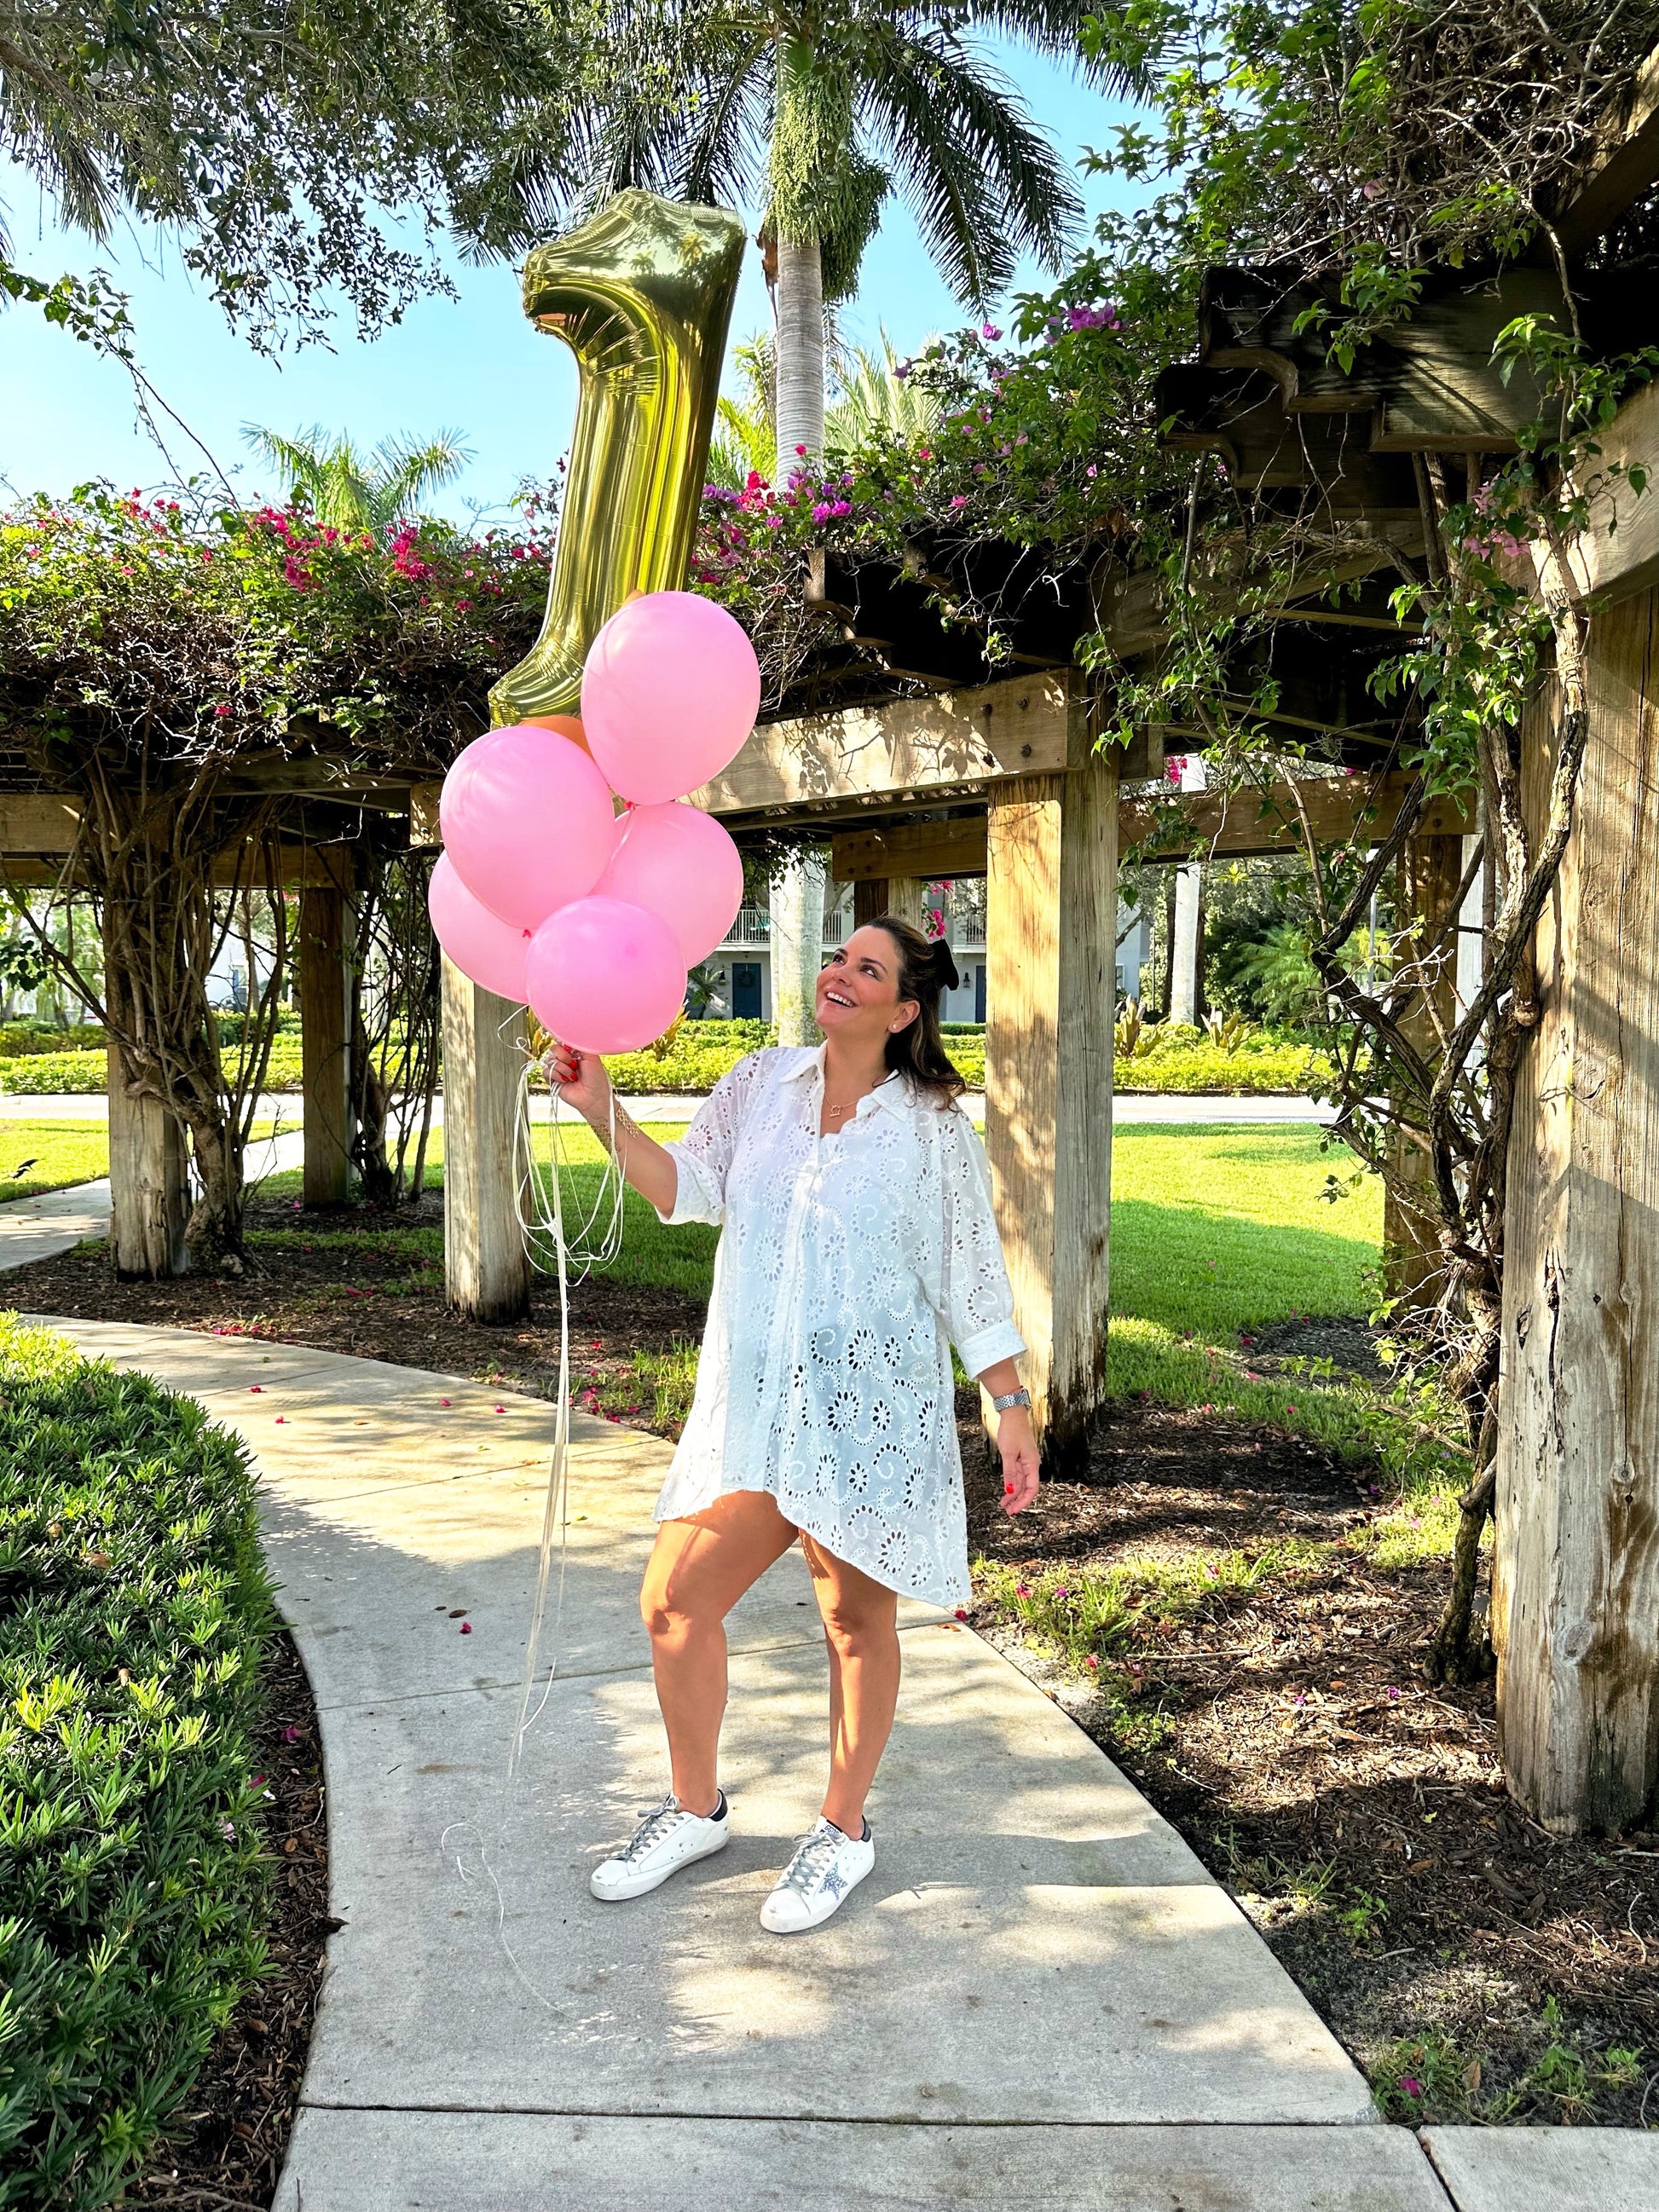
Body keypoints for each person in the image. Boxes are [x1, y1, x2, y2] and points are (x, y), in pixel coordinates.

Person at [548, 913, 1038, 1933]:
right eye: (836, 958)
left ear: (903, 1008)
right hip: (756, 1411)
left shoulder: (931, 1128)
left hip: (864, 1417)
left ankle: (843, 1832)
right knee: (672, 1604)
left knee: (855, 1626)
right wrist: (605, 1112)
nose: (839, 975)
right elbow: (687, 1189)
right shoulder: (758, 1086)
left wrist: (1008, 1401)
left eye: (868, 968)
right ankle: (694, 1811)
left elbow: (967, 1274)